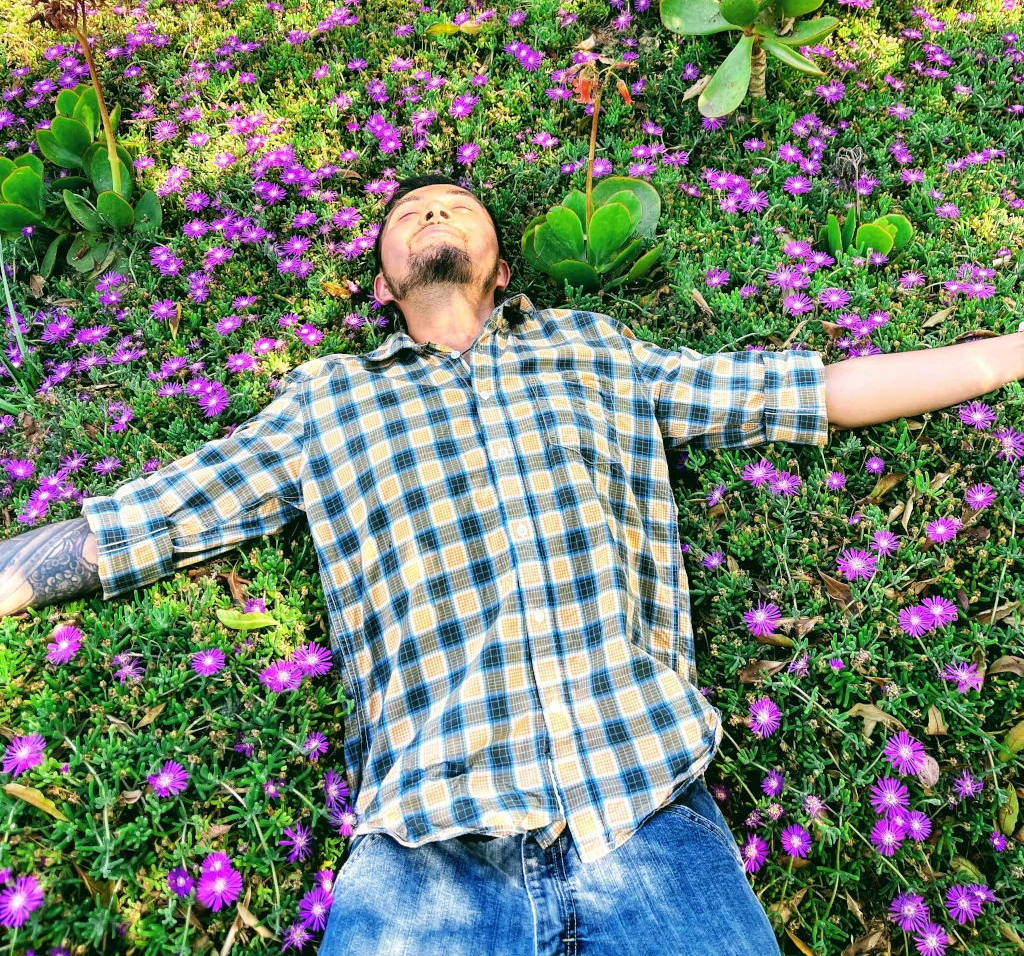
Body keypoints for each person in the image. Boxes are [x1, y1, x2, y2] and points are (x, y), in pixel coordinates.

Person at [0, 172, 1020, 955]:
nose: (434, 211)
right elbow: (150, 518)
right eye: (411, 211)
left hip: (646, 815)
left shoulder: (595, 351)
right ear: (382, 282)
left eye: (457, 205)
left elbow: (809, 389)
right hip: (422, 855)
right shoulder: (325, 400)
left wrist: (1006, 351)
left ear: (499, 268)